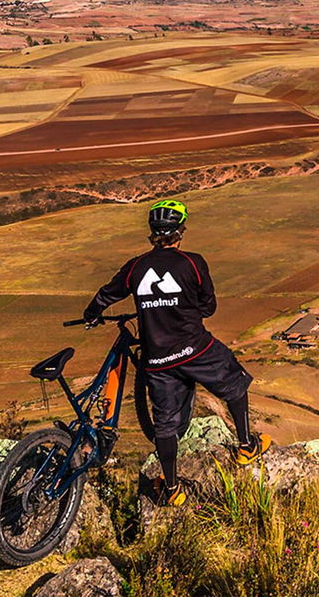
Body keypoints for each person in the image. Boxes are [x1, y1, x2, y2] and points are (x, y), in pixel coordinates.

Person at [83, 198, 272, 506]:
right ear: (180, 231)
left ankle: (171, 490)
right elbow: (208, 307)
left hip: (157, 361)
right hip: (196, 349)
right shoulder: (193, 263)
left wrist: (92, 313)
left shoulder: (136, 267)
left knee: (165, 425)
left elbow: (106, 294)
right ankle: (246, 445)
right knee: (235, 384)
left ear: (152, 232)